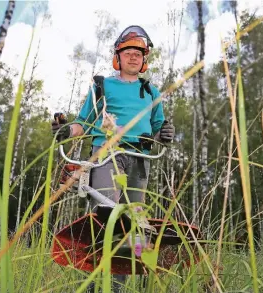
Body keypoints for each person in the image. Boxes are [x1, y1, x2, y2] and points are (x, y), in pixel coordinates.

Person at [52, 25, 175, 292]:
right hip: (106, 156)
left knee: (133, 223)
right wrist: (66, 131)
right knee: (110, 214)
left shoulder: (152, 92)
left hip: (138, 159)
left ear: (144, 60)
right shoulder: (102, 86)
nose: (133, 57)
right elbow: (83, 123)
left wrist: (165, 133)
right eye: (128, 52)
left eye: (138, 54)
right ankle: (97, 281)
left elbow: (158, 129)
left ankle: (113, 285)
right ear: (117, 58)